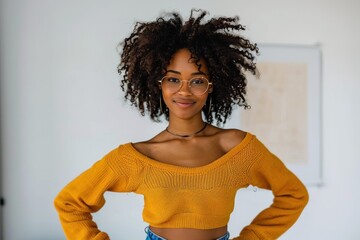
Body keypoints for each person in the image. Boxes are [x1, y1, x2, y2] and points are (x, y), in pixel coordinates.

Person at [54, 9, 309, 240]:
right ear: (159, 84)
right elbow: (69, 203)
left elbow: (294, 194)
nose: (184, 91)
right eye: (172, 79)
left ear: (212, 86)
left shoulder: (237, 148)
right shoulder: (137, 157)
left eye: (197, 81)